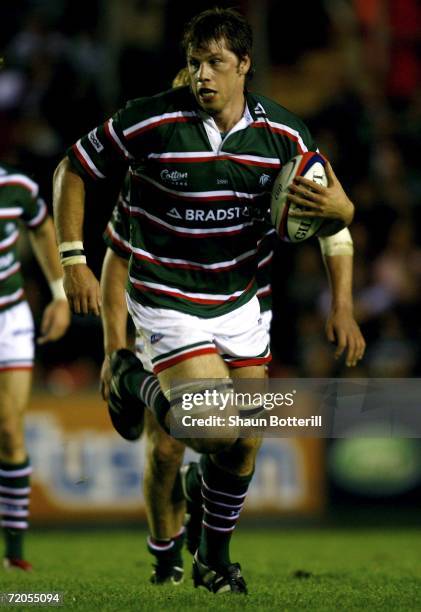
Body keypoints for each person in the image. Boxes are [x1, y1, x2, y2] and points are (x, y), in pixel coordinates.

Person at [53, 7, 364, 593]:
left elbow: (338, 221)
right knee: (204, 436)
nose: (202, 76)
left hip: (243, 301)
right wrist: (75, 261)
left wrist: (342, 301)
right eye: (195, 64)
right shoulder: (151, 125)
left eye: (215, 63)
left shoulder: (284, 137)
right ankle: (132, 386)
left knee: (247, 438)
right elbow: (75, 167)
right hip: (169, 299)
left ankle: (213, 560)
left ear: (244, 65)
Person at [0, 161, 70, 571]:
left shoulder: (16, 187)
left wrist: (59, 293)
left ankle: (14, 552)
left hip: (9, 318)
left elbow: (42, 227)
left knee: (10, 429)